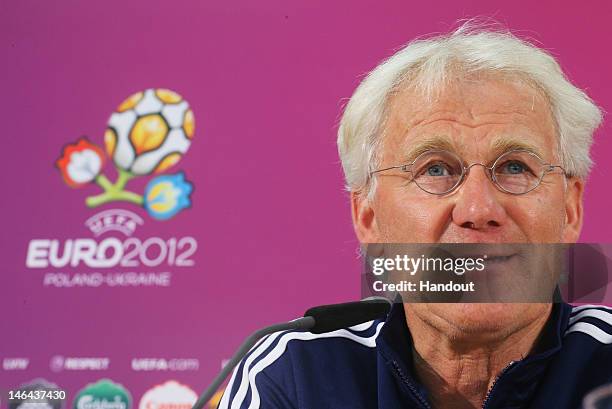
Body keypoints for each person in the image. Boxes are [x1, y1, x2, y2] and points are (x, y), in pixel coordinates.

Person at [218, 22, 611, 409]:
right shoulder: (297, 376)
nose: (478, 209)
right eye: (435, 170)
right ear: (368, 216)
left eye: (514, 167)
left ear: (570, 207)